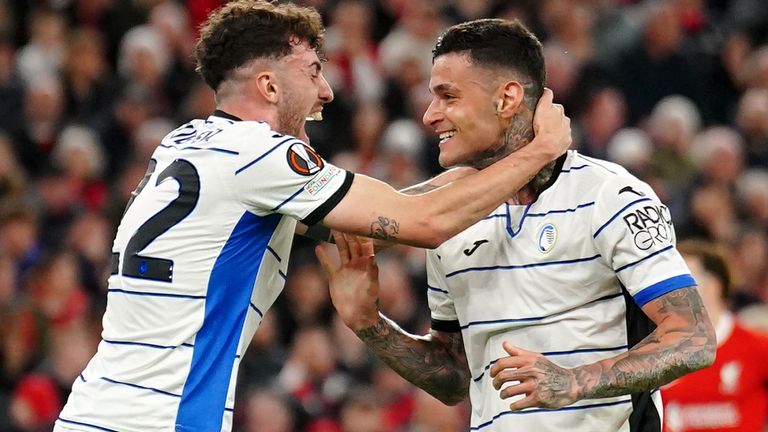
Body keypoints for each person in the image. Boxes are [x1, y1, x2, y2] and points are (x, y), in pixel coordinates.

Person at [53, 2, 571, 432]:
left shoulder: (185, 143)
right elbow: (422, 222)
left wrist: (489, 167)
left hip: (94, 410)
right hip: (160, 418)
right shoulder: (261, 154)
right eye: (313, 73)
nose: (326, 92)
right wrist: (539, 147)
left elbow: (366, 223)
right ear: (270, 87)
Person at [317, 18, 716, 432]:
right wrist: (370, 324)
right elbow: (455, 376)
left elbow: (693, 339)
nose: (430, 115)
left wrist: (575, 381)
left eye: (448, 96)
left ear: (507, 99)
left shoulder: (609, 195)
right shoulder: (450, 221)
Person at [661, 240, 768, 432]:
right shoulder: (656, 354)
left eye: (680, 280)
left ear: (713, 285)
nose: (670, 291)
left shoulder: (757, 347)